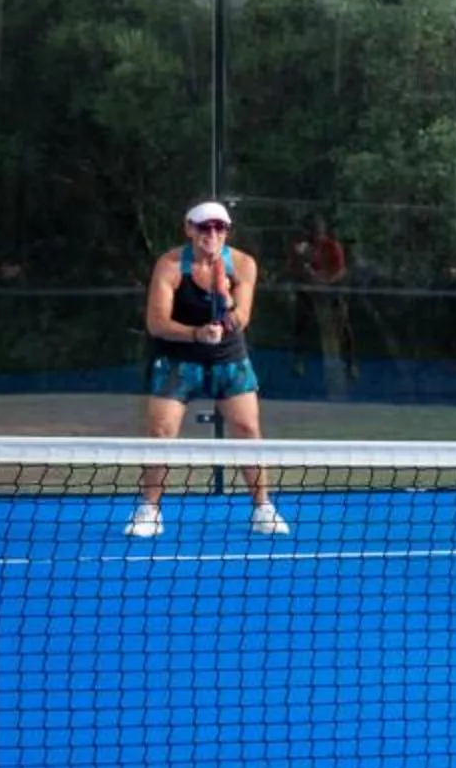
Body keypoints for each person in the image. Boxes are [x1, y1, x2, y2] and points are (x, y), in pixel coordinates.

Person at [132, 201, 286, 538]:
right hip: (177, 359)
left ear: (227, 232)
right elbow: (157, 323)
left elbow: (241, 318)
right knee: (160, 431)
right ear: (189, 229)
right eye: (204, 227)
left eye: (220, 227)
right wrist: (196, 334)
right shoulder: (170, 265)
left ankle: (263, 508)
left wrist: (226, 303)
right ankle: (149, 510)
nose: (212, 234)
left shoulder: (243, 264)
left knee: (247, 429)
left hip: (228, 358)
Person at [287, 210, 355, 394]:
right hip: (310, 290)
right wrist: (303, 262)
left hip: (330, 289)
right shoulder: (301, 248)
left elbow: (340, 271)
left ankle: (350, 362)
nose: (316, 234)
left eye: (318, 230)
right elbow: (294, 271)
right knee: (302, 318)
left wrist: (325, 281)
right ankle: (298, 360)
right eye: (312, 230)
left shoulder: (332, 246)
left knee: (343, 323)